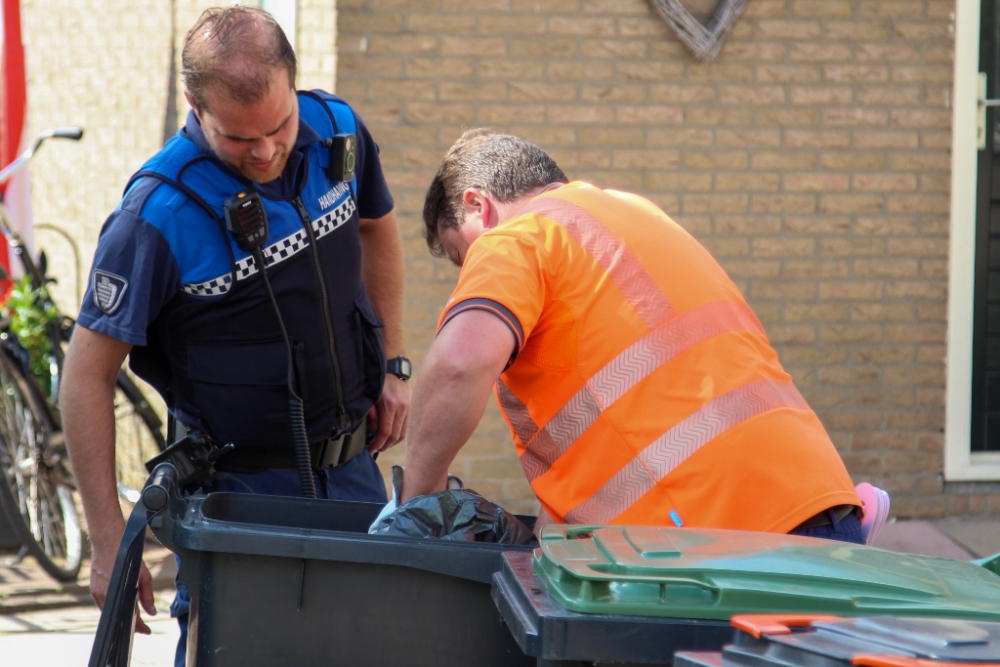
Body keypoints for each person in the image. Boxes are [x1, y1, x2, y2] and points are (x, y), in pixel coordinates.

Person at [61, 7, 410, 665]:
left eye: (279, 127)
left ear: (294, 84)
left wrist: (394, 363)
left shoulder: (337, 127)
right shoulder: (154, 215)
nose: (267, 151)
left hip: (354, 476)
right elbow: (85, 375)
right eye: (238, 138)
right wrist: (108, 539)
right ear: (194, 106)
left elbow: (377, 226)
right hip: (239, 503)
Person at [399, 129, 863, 543]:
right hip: (820, 505)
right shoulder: (634, 216)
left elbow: (459, 365)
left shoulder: (517, 237)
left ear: (479, 206)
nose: (470, 275)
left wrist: (415, 507)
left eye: (464, 256)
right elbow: (622, 410)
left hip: (718, 537)